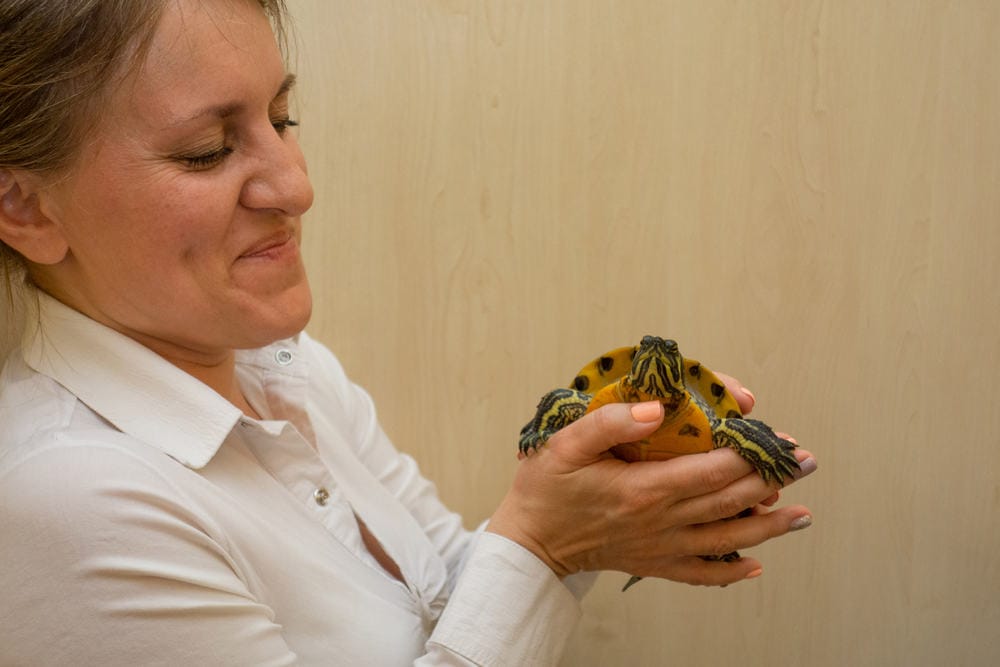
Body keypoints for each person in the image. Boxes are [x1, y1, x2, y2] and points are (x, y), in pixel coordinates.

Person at [0, 1, 816, 664]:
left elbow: (458, 590)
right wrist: (547, 545)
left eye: (283, 119)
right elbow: (521, 560)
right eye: (208, 152)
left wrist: (591, 510)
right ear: (25, 207)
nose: (296, 184)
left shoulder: (287, 369)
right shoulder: (69, 503)